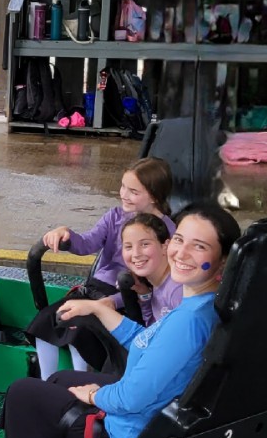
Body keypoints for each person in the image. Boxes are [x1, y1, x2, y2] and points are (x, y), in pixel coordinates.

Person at [0, 203, 241, 438]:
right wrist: (99, 309)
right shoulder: (203, 304)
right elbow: (148, 342)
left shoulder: (188, 322)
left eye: (199, 246)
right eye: (179, 239)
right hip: (149, 412)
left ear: (224, 261)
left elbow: (130, 399)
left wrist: (94, 395)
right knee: (60, 379)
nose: (181, 253)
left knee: (21, 393)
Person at [26, 157, 174, 379]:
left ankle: (79, 381)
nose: (124, 194)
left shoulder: (167, 232)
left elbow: (157, 284)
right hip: (95, 288)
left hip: (128, 297)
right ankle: (47, 381)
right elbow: (87, 243)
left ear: (153, 196)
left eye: (133, 191)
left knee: (79, 331)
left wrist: (113, 302)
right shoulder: (114, 217)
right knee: (47, 321)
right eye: (123, 186)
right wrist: (65, 234)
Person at [56, 213, 182, 337]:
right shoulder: (157, 285)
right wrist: (145, 296)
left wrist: (98, 309)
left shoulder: (177, 290)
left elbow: (171, 344)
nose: (136, 254)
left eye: (145, 244)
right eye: (128, 247)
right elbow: (151, 328)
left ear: (165, 246)